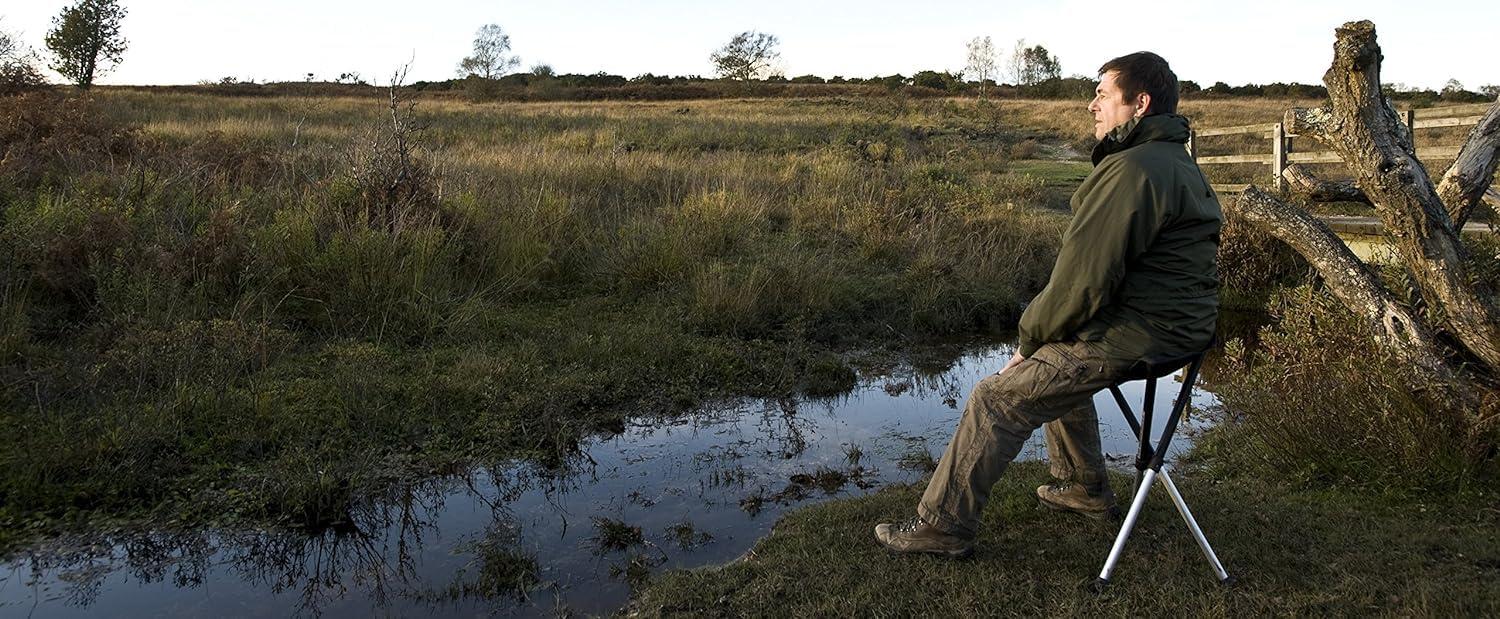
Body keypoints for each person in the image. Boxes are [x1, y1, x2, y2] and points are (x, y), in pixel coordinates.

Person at [875, 52, 1222, 558]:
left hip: (1143, 332)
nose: (1091, 105)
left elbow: (1082, 283)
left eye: (1103, 94)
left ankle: (941, 528)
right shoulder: (1174, 159)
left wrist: (1029, 340)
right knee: (1057, 355)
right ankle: (1083, 488)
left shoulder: (1134, 171)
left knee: (996, 397)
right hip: (1183, 330)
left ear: (1139, 104)